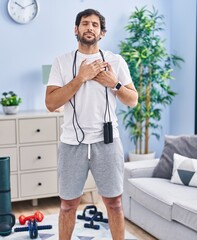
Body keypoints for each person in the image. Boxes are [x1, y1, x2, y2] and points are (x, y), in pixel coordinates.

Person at [45, 8, 138, 240]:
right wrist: (80, 78)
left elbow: (133, 100)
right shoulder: (62, 62)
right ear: (75, 29)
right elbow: (50, 102)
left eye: (95, 25)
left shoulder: (116, 61)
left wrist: (114, 84)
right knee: (67, 204)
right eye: (85, 23)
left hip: (107, 142)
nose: (90, 28)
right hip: (71, 143)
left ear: (102, 32)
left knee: (115, 203)